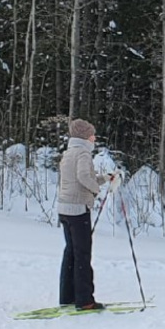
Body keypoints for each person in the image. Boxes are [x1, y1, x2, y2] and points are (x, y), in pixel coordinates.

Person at [57, 119, 113, 311]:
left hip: (65, 209)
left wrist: (105, 179)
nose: (94, 138)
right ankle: (85, 300)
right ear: (85, 137)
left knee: (71, 252)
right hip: (78, 209)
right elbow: (83, 177)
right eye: (92, 135)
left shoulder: (69, 153)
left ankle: (67, 297)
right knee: (82, 255)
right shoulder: (83, 153)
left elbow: (81, 178)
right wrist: (97, 190)